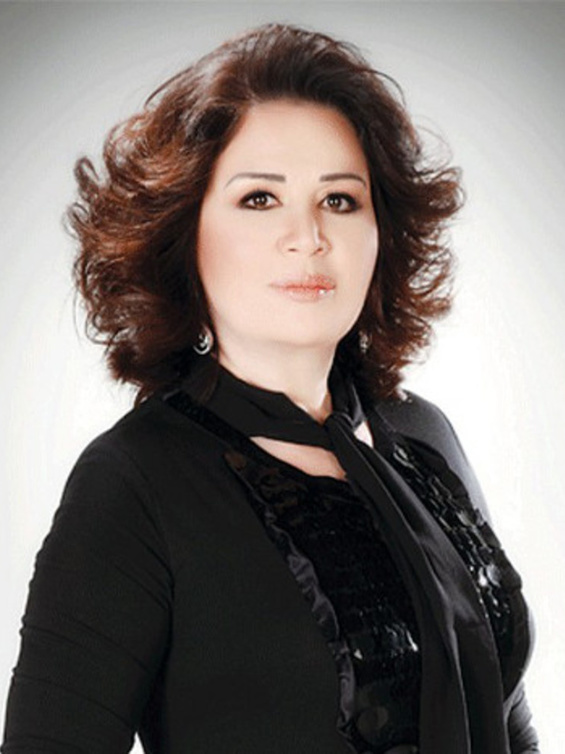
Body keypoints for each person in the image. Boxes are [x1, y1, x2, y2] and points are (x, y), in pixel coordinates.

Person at [1, 22, 539, 754]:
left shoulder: (424, 437)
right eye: (259, 199)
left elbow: (507, 718)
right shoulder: (135, 481)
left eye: (340, 200)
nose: (308, 236)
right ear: (184, 232)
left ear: (383, 232)